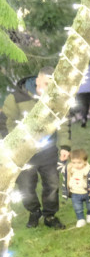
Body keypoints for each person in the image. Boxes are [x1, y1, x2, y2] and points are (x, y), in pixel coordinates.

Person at [2, 67, 69, 229]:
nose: (48, 88)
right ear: (38, 80)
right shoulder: (15, 98)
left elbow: (63, 123)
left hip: (48, 151)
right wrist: (18, 142)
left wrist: (65, 146)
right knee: (25, 186)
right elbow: (6, 123)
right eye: (46, 83)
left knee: (52, 184)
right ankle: (34, 211)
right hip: (23, 153)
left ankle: (49, 215)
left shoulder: (55, 98)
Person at [58, 148, 90, 228]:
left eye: (79, 163)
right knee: (77, 208)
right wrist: (62, 160)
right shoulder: (70, 169)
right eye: (74, 162)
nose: (76, 165)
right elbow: (60, 168)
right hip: (75, 193)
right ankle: (80, 219)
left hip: (87, 193)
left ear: (85, 161)